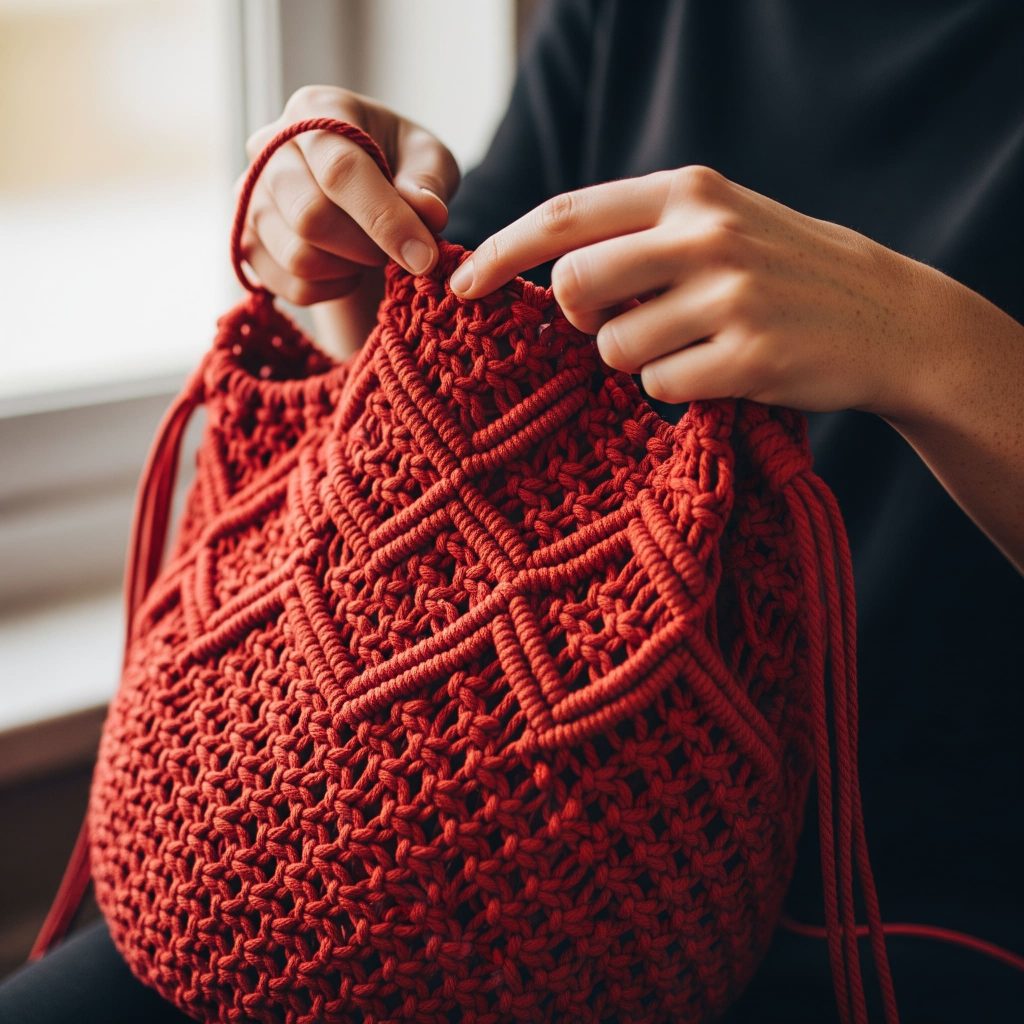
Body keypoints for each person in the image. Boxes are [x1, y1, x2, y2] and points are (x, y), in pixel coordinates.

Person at [2, 2, 1020, 1021]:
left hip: (941, 906)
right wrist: (342, 244)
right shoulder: (640, 19)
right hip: (495, 846)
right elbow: (454, 430)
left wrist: (929, 348)